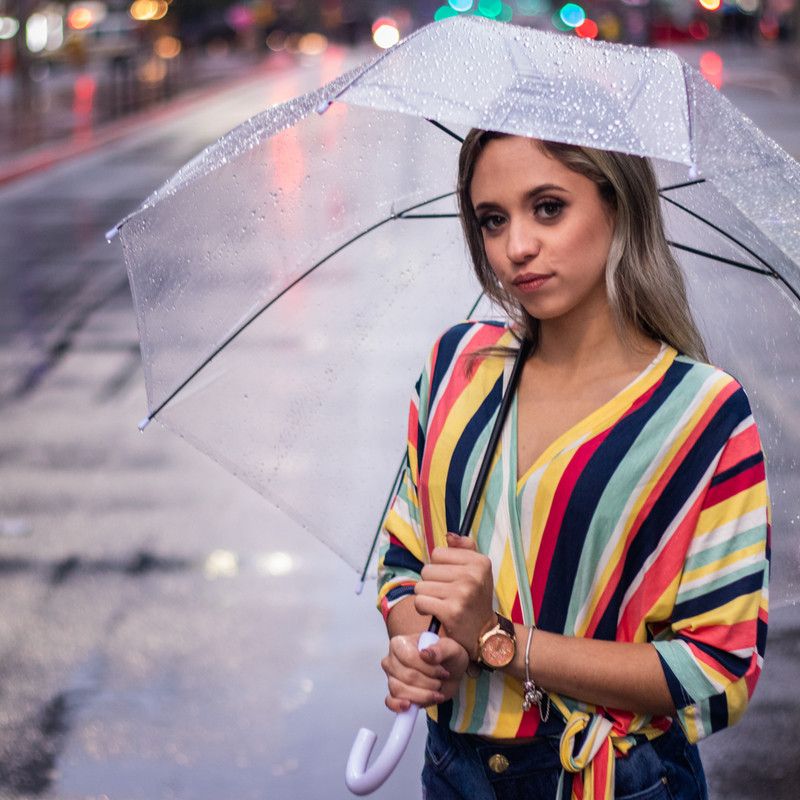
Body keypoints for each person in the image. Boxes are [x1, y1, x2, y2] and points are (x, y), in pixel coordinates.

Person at [376, 130, 771, 800]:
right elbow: (405, 566)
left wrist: (498, 640)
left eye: (548, 208)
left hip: (614, 779)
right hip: (454, 770)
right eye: (492, 220)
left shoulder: (702, 412)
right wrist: (425, 651)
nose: (516, 247)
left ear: (618, 206)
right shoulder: (456, 368)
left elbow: (714, 663)